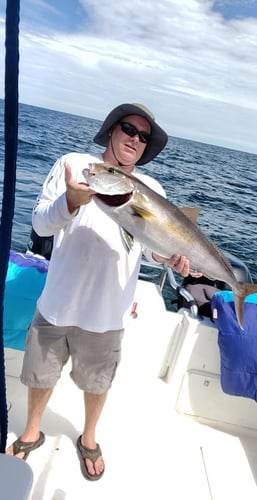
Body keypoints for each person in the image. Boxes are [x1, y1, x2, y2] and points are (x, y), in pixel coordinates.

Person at [7, 103, 191, 480]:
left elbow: (152, 249)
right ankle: (31, 430)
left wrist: (171, 259)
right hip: (57, 303)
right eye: (128, 128)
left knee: (97, 382)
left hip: (108, 313)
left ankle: (88, 437)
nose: (134, 139)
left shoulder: (153, 189)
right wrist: (71, 201)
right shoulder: (75, 165)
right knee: (40, 375)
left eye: (144, 136)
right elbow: (41, 224)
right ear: (111, 129)